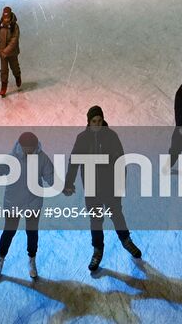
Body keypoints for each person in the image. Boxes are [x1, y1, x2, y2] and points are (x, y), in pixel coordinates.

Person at [62, 105, 142, 273]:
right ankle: (97, 250)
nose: (97, 124)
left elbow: (121, 161)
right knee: (96, 220)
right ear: (89, 122)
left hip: (110, 185)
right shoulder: (82, 138)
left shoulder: (111, 136)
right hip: (91, 185)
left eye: (99, 120)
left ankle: (126, 240)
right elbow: (74, 161)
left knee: (117, 215)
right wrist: (69, 182)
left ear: (103, 120)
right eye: (94, 121)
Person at [0, 130, 55, 281]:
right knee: (9, 232)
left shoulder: (42, 158)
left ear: (35, 146)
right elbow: (1, 168)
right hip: (13, 201)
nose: (28, 150)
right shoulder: (12, 157)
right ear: (20, 145)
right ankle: (0, 259)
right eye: (25, 146)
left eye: (30, 147)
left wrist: (63, 186)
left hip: (33, 202)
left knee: (32, 233)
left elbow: (50, 176)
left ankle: (32, 260)